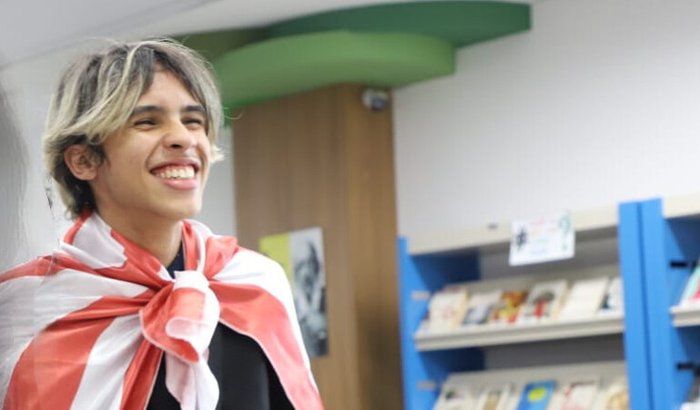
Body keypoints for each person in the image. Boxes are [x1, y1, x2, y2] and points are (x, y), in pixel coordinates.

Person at [0, 39, 323, 410]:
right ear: (84, 160)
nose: (183, 138)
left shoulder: (254, 284)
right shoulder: (25, 308)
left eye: (193, 121)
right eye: (147, 122)